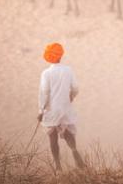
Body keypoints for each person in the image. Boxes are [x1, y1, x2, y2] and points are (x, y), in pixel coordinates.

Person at [38, 43, 84, 172]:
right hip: (65, 108)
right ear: (60, 55)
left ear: (48, 57)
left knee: (53, 138)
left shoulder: (46, 73)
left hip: (51, 110)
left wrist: (41, 111)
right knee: (68, 133)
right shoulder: (68, 70)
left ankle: (58, 167)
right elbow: (75, 88)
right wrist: (71, 96)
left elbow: (44, 93)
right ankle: (74, 152)